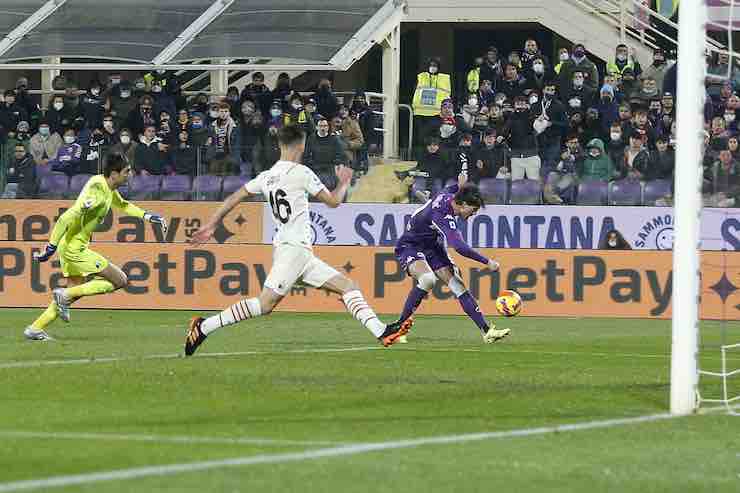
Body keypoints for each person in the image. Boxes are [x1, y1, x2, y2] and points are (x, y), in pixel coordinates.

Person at [183, 126, 412, 355]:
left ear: (280, 145)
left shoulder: (266, 176)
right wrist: (343, 182)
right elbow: (333, 202)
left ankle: (382, 331)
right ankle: (203, 327)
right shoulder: (301, 172)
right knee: (264, 305)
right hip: (293, 251)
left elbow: (235, 197)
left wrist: (212, 224)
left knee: (347, 287)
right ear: (301, 145)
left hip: (297, 251)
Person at [24, 153, 167, 340]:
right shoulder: (96, 194)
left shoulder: (106, 186)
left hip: (71, 246)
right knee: (120, 280)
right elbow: (66, 217)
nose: (130, 175)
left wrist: (149, 216)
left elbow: (123, 205)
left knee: (71, 295)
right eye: (126, 171)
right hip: (75, 249)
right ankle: (63, 295)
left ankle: (35, 329)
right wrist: (50, 247)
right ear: (114, 174)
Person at [389, 171, 510, 345]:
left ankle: (487, 332)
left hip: (432, 246)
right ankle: (398, 327)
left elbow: (457, 187)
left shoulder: (450, 195)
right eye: (473, 210)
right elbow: (459, 247)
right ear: (463, 205)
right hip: (411, 245)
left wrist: (462, 184)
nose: (474, 214)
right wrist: (487, 262)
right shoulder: (442, 215)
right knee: (428, 279)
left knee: (457, 284)